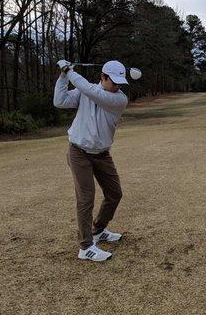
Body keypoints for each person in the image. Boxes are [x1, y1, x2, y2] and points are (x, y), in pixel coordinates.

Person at [53, 59, 128, 261]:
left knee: (115, 193)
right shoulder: (87, 91)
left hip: (102, 153)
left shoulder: (119, 99)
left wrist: (68, 71)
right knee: (86, 197)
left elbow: (90, 91)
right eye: (113, 81)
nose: (118, 85)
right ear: (102, 77)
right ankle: (86, 247)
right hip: (78, 151)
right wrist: (62, 77)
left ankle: (98, 230)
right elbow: (60, 101)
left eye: (120, 82)